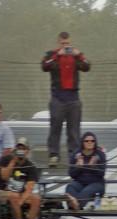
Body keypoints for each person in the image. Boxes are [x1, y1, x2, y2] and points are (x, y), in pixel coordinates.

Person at [42, 31, 91, 167]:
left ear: (71, 42)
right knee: (55, 126)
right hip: (58, 96)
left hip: (73, 98)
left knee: (74, 129)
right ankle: (54, 155)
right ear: (59, 42)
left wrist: (79, 55)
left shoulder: (76, 56)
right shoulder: (52, 54)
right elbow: (44, 66)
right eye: (63, 44)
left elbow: (87, 66)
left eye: (68, 44)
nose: (66, 46)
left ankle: (74, 155)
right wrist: (58, 55)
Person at [0, 138, 41, 219]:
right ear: (15, 150)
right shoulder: (6, 159)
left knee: (36, 198)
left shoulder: (31, 166)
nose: (21, 151)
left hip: (21, 193)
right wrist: (13, 161)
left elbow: (29, 187)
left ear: (27, 151)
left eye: (23, 149)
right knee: (14, 196)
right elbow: (4, 177)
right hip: (4, 191)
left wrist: (21, 201)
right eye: (19, 149)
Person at [66, 131, 106, 208]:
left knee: (87, 190)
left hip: (97, 183)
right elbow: (72, 174)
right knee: (70, 186)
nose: (89, 142)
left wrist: (93, 166)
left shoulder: (100, 154)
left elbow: (102, 173)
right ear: (82, 142)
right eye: (86, 141)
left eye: (92, 141)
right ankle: (75, 204)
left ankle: (75, 204)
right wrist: (78, 167)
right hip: (80, 183)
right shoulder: (76, 154)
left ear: (95, 142)